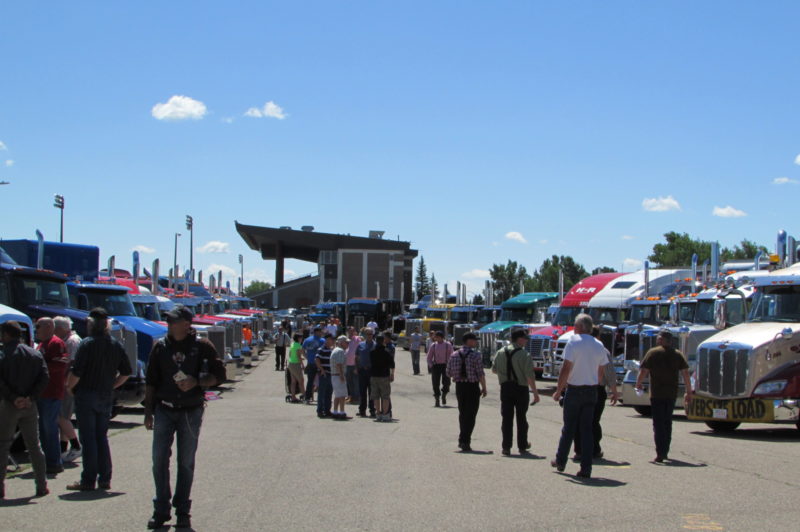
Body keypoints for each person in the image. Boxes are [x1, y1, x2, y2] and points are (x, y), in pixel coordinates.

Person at [144, 305, 226, 530]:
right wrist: (148, 411)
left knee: (186, 463)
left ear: (187, 324)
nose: (169, 324)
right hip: (164, 409)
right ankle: (161, 509)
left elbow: (220, 375)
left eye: (174, 320)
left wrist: (196, 382)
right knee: (159, 461)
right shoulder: (160, 347)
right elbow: (151, 381)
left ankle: (183, 512)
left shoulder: (202, 346)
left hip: (190, 410)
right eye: (169, 320)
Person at [65, 308, 132, 491]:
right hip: (104, 396)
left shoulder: (87, 344)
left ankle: (88, 479)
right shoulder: (115, 345)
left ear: (91, 324)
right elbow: (127, 371)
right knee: (101, 438)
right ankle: (104, 478)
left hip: (86, 394)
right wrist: (112, 385)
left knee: (88, 438)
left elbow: (76, 372)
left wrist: (69, 387)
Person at [552, 314, 618, 479]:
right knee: (587, 430)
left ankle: (561, 460)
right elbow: (602, 369)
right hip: (591, 390)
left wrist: (559, 389)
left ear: (580, 327)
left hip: (575, 389)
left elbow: (566, 368)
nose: (574, 328)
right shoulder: (599, 345)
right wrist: (595, 383)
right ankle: (586, 468)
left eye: (575, 325)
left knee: (569, 428)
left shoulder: (573, 342)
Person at [0, 321, 50, 499]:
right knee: (34, 446)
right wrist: (31, 397)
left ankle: (0, 488)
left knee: (3, 445)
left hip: (8, 405)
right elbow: (44, 377)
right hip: (30, 405)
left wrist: (14, 398)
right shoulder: (35, 353)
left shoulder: (3, 354)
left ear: (6, 335)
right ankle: (41, 485)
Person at [635, 329, 692, 463]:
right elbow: (685, 373)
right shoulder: (677, 354)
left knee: (658, 423)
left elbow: (644, 371)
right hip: (671, 393)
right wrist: (689, 391)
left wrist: (638, 383)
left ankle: (660, 452)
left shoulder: (653, 352)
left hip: (657, 393)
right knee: (667, 422)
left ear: (662, 340)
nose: (657, 340)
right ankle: (665, 450)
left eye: (659, 338)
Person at [574, 325, 618, 460]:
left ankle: (579, 450)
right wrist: (614, 391)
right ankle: (594, 449)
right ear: (598, 336)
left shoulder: (576, 348)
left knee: (578, 420)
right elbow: (609, 372)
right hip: (597, 389)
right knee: (593, 421)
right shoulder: (602, 350)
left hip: (578, 386)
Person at [492, 329, 540, 456]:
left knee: (506, 418)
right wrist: (535, 393)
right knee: (521, 418)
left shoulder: (500, 352)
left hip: (506, 387)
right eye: (525, 338)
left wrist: (505, 375)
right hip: (520, 387)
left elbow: (494, 370)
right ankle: (522, 445)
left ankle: (506, 447)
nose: (526, 341)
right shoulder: (525, 354)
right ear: (519, 339)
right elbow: (530, 376)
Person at [34, 317, 69, 475]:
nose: (36, 329)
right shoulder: (42, 344)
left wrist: (41, 366)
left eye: (38, 326)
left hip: (52, 392)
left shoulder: (56, 343)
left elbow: (61, 364)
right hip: (42, 392)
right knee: (43, 428)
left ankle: (54, 462)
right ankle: (47, 461)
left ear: (49, 326)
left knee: (49, 428)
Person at [446, 333, 487, 452]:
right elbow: (480, 373)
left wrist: (457, 375)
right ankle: (465, 440)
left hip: (460, 387)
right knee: (471, 414)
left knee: (462, 413)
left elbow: (448, 373)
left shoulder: (454, 354)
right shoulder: (475, 355)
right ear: (468, 341)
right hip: (472, 387)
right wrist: (484, 387)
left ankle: (462, 439)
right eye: (474, 340)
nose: (476, 342)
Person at [54, 316, 82, 463]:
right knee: (64, 416)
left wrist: (66, 383)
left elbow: (72, 365)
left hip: (68, 385)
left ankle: (76, 446)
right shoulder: (70, 339)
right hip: (67, 384)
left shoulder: (72, 341)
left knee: (62, 417)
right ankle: (63, 450)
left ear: (60, 329)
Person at [369, 334, 395, 422]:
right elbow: (392, 364)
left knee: (376, 396)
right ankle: (385, 414)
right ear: (383, 341)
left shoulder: (372, 351)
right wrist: (392, 374)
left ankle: (378, 414)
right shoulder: (387, 351)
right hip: (384, 375)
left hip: (374, 375)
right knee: (385, 396)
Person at [426, 331, 452, 407]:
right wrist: (431, 365)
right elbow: (429, 357)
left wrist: (451, 365)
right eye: (435, 337)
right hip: (436, 366)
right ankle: (437, 399)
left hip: (446, 365)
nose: (435, 338)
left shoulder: (448, 345)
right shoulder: (433, 345)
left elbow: (452, 356)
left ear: (441, 337)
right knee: (435, 383)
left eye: (436, 337)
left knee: (447, 382)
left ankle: (444, 394)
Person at [355, 328, 376, 418]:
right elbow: (356, 357)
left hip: (372, 371)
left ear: (373, 335)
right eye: (367, 334)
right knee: (362, 392)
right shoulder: (360, 345)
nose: (369, 335)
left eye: (370, 334)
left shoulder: (375, 345)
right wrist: (356, 368)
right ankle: (362, 410)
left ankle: (372, 411)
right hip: (362, 371)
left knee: (372, 392)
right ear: (365, 335)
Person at [302, 327, 324, 404]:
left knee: (310, 381)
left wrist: (306, 357)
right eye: (320, 332)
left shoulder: (307, 340)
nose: (321, 333)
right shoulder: (321, 340)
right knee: (321, 381)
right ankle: (321, 397)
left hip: (310, 362)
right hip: (320, 364)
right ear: (317, 332)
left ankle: (307, 398)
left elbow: (302, 349)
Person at [315, 334, 334, 418]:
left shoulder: (331, 350)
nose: (332, 341)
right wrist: (322, 370)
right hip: (324, 374)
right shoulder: (321, 349)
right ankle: (320, 410)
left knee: (329, 393)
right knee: (321, 393)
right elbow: (317, 359)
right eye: (331, 339)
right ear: (327, 340)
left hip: (330, 374)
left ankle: (327, 410)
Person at [330, 336, 349, 418]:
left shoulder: (335, 350)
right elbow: (339, 364)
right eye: (346, 342)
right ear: (341, 343)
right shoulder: (340, 351)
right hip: (338, 375)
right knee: (342, 395)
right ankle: (342, 412)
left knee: (337, 395)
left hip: (334, 375)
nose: (348, 344)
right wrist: (341, 375)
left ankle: (335, 412)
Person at [286, 334, 305, 402]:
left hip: (291, 363)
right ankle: (304, 396)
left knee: (293, 381)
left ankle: (293, 397)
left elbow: (290, 354)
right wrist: (302, 365)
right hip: (296, 364)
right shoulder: (298, 345)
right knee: (301, 381)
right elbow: (298, 356)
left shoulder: (292, 344)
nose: (302, 339)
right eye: (301, 338)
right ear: (298, 338)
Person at [344, 327, 361, 404]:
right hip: (347, 364)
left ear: (354, 332)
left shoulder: (357, 339)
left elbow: (360, 347)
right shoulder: (346, 340)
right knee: (349, 382)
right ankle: (351, 397)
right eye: (349, 331)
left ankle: (357, 398)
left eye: (352, 331)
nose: (350, 333)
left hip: (354, 364)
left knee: (356, 382)